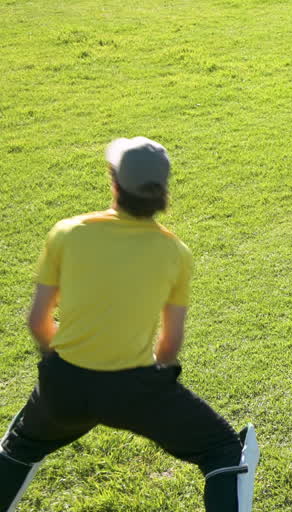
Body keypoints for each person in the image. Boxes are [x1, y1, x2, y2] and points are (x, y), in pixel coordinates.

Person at [0, 138, 258, 512]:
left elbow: (38, 321)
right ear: (162, 189)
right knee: (221, 450)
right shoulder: (174, 253)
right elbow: (169, 345)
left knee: (19, 448)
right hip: (134, 389)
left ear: (114, 182)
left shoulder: (68, 233)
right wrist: (151, 389)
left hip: (63, 385)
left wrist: (60, 367)